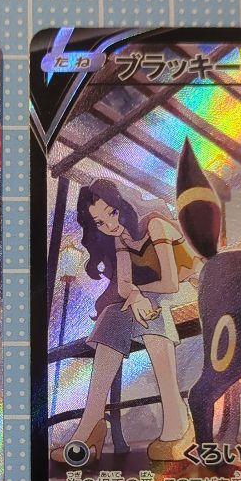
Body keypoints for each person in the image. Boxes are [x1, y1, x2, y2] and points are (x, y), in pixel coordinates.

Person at [52, 179, 198, 465]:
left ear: (124, 205)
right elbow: (124, 286)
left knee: (149, 306)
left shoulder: (155, 225)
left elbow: (170, 283)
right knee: (113, 314)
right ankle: (92, 422)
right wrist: (136, 295)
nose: (110, 224)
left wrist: (139, 294)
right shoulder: (121, 238)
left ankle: (177, 416)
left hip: (191, 288)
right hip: (155, 298)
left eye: (112, 213)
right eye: (100, 222)